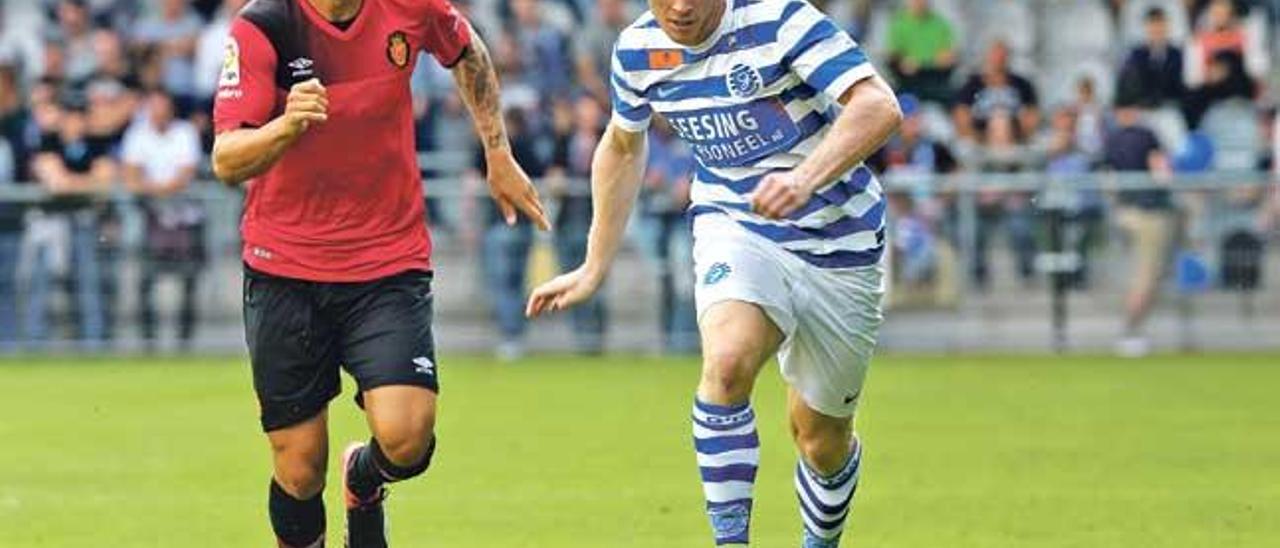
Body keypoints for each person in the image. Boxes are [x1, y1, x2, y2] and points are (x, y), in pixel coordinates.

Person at [527, 0, 902, 545]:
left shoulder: (781, 20)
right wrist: (593, 264)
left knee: (820, 440)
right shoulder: (637, 50)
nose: (679, 6)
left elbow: (878, 106)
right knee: (725, 365)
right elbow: (623, 146)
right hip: (737, 222)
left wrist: (804, 178)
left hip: (840, 241)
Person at [210, 1, 549, 546]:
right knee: (298, 470)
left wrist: (498, 152)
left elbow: (468, 50)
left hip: (386, 260)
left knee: (407, 438)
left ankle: (363, 481)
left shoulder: (410, 6)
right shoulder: (263, 26)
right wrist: (287, 124)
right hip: (285, 269)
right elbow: (227, 160)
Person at [25, 97, 114, 347]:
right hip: (52, 223)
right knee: (41, 285)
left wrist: (72, 183)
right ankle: (34, 344)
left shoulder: (96, 143)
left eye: (79, 117)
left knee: (89, 284)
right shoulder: (49, 142)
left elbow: (105, 181)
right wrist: (86, 182)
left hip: (85, 223)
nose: (75, 123)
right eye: (70, 116)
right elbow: (55, 183)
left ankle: (93, 343)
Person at [121, 89, 203, 351]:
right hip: (152, 218)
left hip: (184, 218)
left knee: (189, 280)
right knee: (146, 280)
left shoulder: (185, 133)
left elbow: (186, 173)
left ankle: (183, 342)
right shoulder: (137, 135)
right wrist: (161, 190)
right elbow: (131, 176)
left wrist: (154, 188)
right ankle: (149, 341)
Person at [1105, 93, 1175, 358]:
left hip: (1123, 213)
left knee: (1135, 275)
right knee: (1145, 277)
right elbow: (1161, 172)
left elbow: (1107, 178)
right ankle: (1130, 332)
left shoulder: (1111, 138)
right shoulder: (1146, 135)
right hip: (1148, 212)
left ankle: (1130, 331)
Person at [884, 0, 955, 104]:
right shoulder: (898, 23)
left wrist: (918, 63)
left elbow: (947, 58)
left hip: (936, 80)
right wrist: (932, 61)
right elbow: (895, 56)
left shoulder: (940, 24)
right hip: (907, 82)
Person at [1117, 7, 1186, 109]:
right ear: (1146, 28)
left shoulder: (1178, 55)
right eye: (1153, 25)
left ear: (1167, 26)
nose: (1157, 29)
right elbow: (1129, 86)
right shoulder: (1136, 55)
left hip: (1170, 109)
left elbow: (1180, 88)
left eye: (1160, 25)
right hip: (1142, 109)